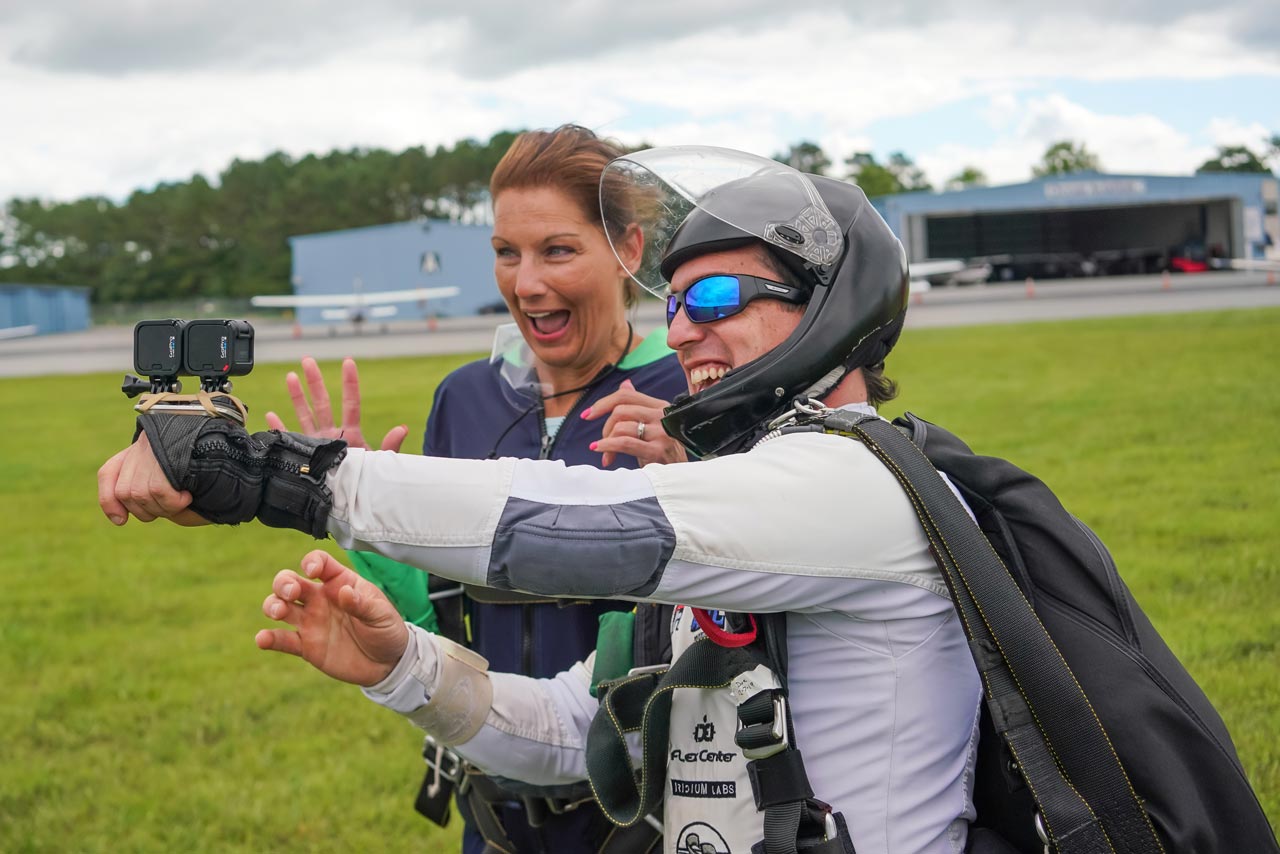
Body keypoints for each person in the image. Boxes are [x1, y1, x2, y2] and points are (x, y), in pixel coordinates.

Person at [99, 147, 983, 854]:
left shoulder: (861, 482)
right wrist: (403, 665)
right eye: (673, 303)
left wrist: (270, 474)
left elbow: (577, 523)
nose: (681, 328)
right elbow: (576, 728)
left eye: (715, 295)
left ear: (831, 306)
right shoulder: (740, 507)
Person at [259, 126, 690, 852]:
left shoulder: (682, 393)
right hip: (493, 818)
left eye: (557, 250)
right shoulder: (466, 398)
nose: (526, 283)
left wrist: (692, 468)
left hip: (645, 818)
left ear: (630, 251)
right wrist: (362, 512)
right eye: (505, 253)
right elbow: (445, 612)